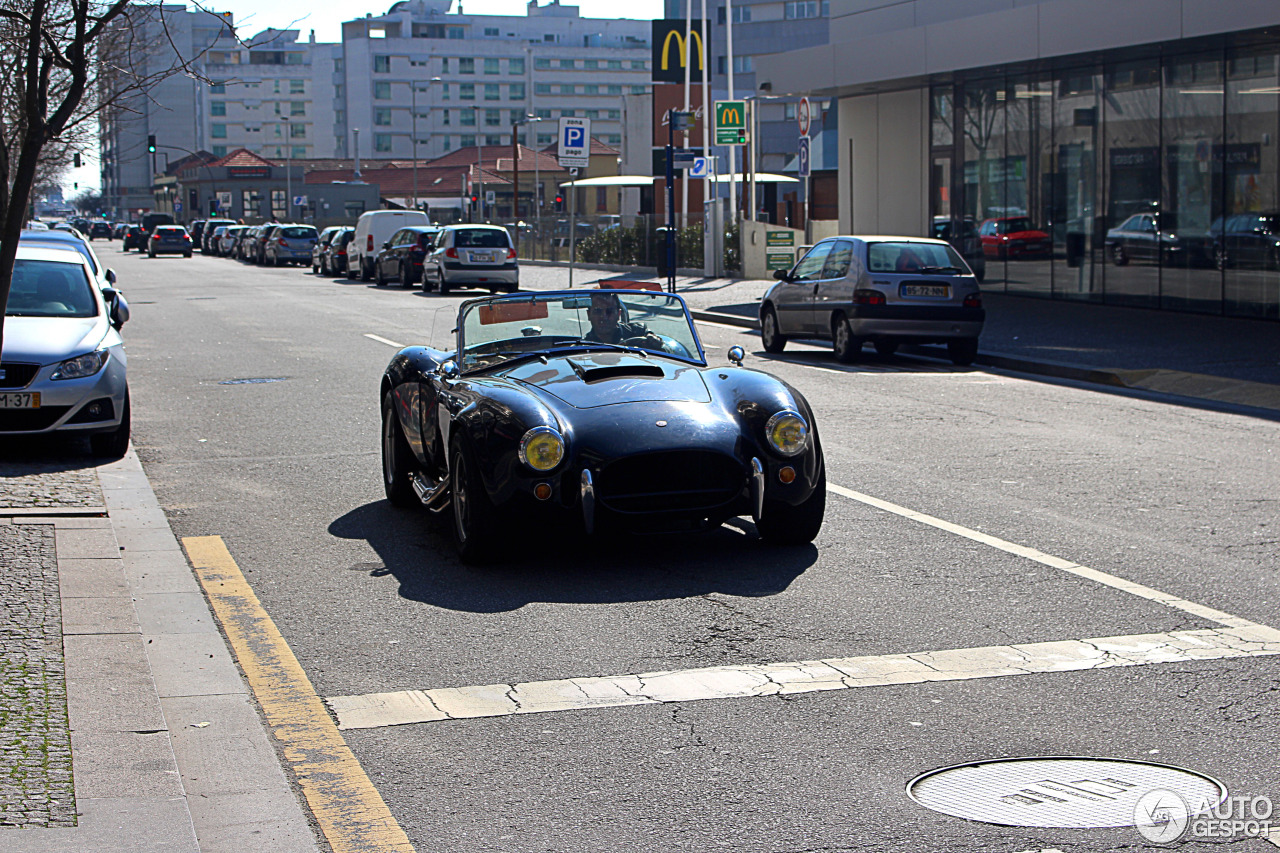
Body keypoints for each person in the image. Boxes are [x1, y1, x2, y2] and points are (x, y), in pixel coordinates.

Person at [584, 292, 662, 347]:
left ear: (618, 314)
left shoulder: (637, 331)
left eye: (609, 311)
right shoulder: (583, 346)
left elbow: (661, 346)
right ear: (589, 314)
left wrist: (652, 338)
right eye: (598, 311)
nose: (604, 317)